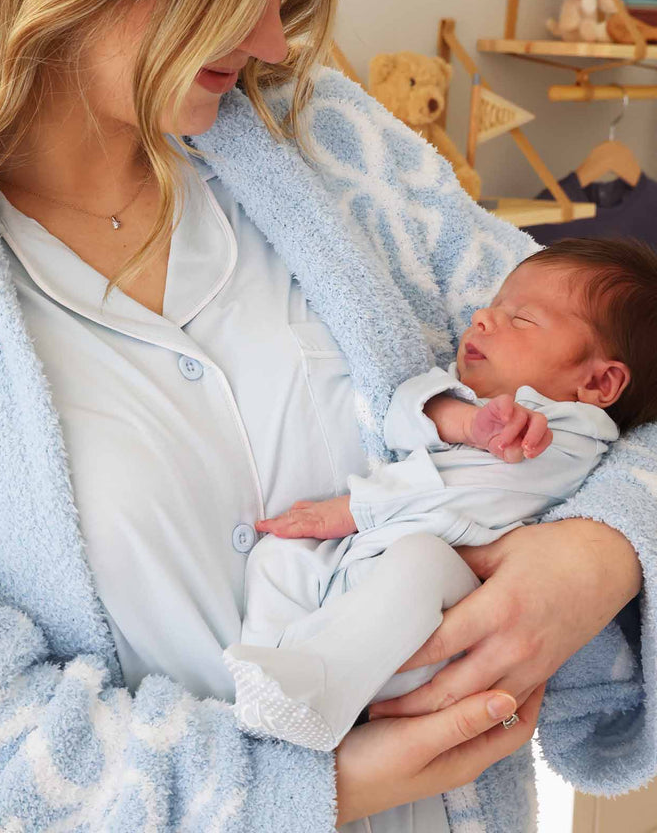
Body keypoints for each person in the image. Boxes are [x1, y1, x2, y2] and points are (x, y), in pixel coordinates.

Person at [0, 0, 652, 831]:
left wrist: (597, 553)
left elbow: (607, 365)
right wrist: (312, 784)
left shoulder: (325, 143)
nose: (276, 41)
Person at [223, 238, 657, 751]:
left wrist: (349, 511)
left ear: (599, 384)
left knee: (422, 560)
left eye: (522, 319)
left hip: (429, 624)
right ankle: (268, 680)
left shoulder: (566, 437)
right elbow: (400, 414)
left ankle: (320, 688)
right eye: (493, 305)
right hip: (358, 577)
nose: (483, 318)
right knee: (280, 556)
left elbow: (448, 490)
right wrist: (463, 421)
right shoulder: (475, 399)